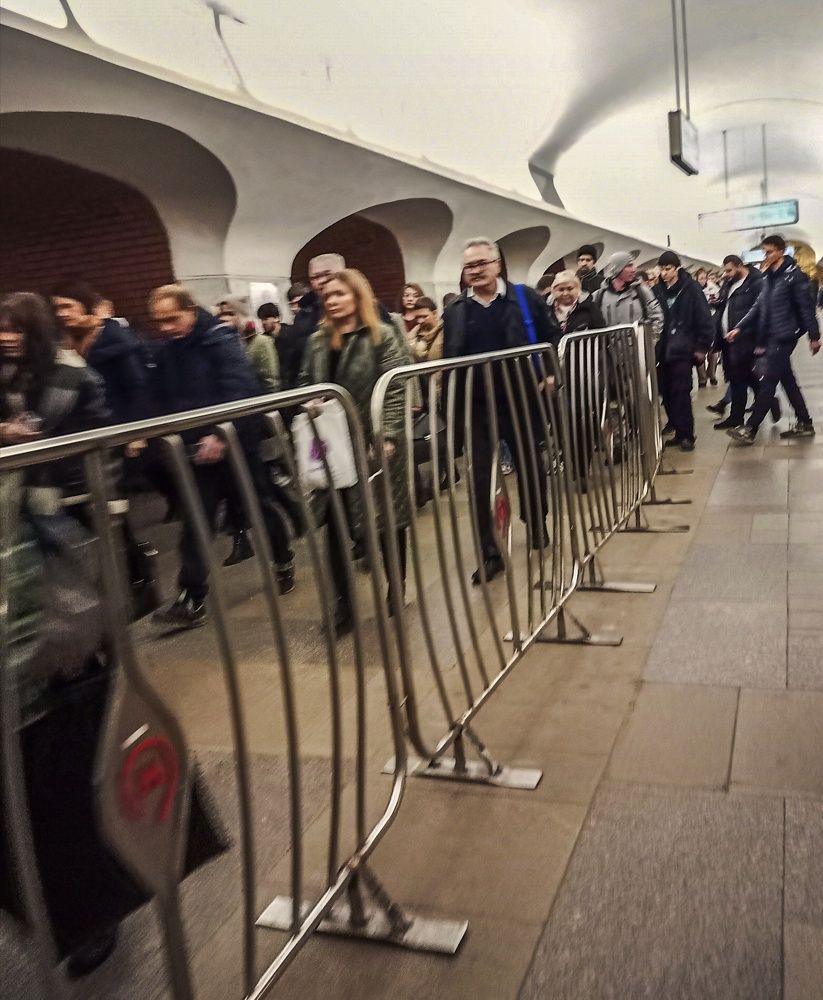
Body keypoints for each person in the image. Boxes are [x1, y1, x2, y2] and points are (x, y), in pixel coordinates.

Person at [149, 284, 295, 628]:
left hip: (235, 445)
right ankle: (192, 597)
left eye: (172, 318)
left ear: (190, 309)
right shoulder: (168, 351)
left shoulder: (219, 340)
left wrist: (219, 433)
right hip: (197, 452)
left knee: (258, 506)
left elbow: (239, 388)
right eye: (159, 321)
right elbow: (164, 398)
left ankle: (283, 558)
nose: (165, 327)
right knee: (197, 521)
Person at [297, 269, 409, 635]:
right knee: (336, 527)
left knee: (385, 523)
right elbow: (302, 382)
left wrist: (388, 434)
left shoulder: (382, 335)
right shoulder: (317, 341)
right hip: (332, 444)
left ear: (357, 296)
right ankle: (343, 604)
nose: (332, 301)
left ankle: (397, 585)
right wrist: (307, 401)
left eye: (340, 294)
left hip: (373, 442)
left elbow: (395, 385)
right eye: (327, 296)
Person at [442, 238, 553, 584]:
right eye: (469, 266)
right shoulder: (456, 310)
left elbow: (551, 336)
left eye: (481, 263)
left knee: (531, 466)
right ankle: (490, 553)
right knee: (478, 480)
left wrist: (549, 374)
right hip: (477, 406)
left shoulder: (525, 298)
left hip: (521, 398)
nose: (474, 271)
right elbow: (450, 357)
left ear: (497, 264)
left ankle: (536, 523)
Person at [727, 234, 820, 444]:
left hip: (786, 335)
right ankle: (805, 422)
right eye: (764, 252)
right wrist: (739, 328)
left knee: (769, 380)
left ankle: (750, 429)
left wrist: (814, 336)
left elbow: (806, 308)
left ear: (781, 251)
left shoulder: (793, 276)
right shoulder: (768, 277)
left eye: (769, 252)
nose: (765, 256)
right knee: (787, 380)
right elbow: (758, 306)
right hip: (771, 335)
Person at [654, 251, 714, 452]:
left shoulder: (691, 289)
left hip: (683, 349)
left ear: (676, 268)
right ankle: (678, 430)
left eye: (668, 268)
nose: (664, 273)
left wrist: (702, 347)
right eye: (661, 269)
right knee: (666, 392)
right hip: (662, 351)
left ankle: (687, 434)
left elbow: (704, 318)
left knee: (681, 392)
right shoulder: (656, 291)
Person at [710, 255, 778, 431]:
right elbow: (727, 304)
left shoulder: (756, 283)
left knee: (739, 378)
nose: (727, 274)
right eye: (725, 270)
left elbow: (760, 312)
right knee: (742, 377)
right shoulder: (729, 283)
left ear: (740, 266)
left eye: (730, 270)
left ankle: (736, 417)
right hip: (728, 338)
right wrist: (717, 303)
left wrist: (758, 339)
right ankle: (768, 400)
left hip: (745, 339)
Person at [595, 252, 664, 342]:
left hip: (637, 351)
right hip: (609, 353)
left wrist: (649, 341)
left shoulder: (642, 292)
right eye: (629, 266)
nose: (634, 269)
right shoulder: (599, 296)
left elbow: (657, 317)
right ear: (618, 269)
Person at [217, 297, 279, 393]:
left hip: (258, 400)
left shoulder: (261, 342)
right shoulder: (222, 344)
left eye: (230, 313)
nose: (225, 318)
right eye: (221, 314)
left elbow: (271, 380)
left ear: (241, 315)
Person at [546, 270, 606, 340]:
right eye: (561, 289)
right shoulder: (546, 310)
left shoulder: (589, 307)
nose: (565, 293)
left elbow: (601, 334)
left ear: (578, 289)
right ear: (553, 291)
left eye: (570, 288)